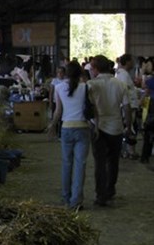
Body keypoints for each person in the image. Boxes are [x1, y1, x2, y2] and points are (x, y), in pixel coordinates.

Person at [87, 55, 131, 207]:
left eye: (92, 67)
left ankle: (101, 195)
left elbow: (89, 108)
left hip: (98, 126)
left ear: (97, 69)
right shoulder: (120, 84)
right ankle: (110, 190)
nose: (91, 70)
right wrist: (128, 125)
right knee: (113, 161)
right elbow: (126, 107)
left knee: (99, 163)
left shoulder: (91, 85)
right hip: (116, 127)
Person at [47, 61, 90, 211]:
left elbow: (58, 110)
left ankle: (66, 197)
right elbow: (92, 109)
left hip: (66, 128)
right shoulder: (85, 87)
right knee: (80, 165)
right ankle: (76, 201)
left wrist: (52, 125)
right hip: (83, 128)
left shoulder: (58, 88)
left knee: (66, 164)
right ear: (80, 74)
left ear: (65, 73)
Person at [115, 54, 140, 159]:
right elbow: (124, 92)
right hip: (127, 106)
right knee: (130, 128)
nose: (133, 63)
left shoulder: (122, 74)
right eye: (132, 61)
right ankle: (129, 152)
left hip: (127, 105)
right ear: (128, 62)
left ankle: (125, 151)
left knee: (128, 127)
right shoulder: (123, 75)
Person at [49, 66, 67, 137]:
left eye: (61, 72)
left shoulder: (66, 81)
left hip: (63, 102)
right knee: (55, 116)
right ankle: (55, 131)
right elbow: (51, 92)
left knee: (62, 118)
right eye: (58, 72)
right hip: (55, 101)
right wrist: (50, 101)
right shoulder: (54, 81)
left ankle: (60, 133)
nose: (59, 74)